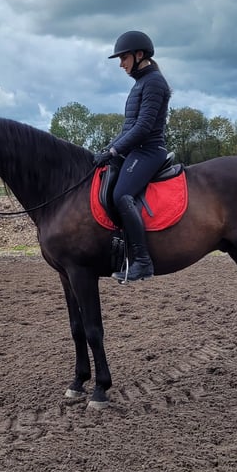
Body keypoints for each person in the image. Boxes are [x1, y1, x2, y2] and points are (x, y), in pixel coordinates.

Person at [93, 30, 171, 283]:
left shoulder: (154, 82)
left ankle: (142, 261)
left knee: (121, 195)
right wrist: (107, 149)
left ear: (140, 55)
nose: (121, 64)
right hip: (136, 149)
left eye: (124, 58)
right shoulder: (140, 83)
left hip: (149, 151)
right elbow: (128, 127)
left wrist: (115, 150)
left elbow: (143, 127)